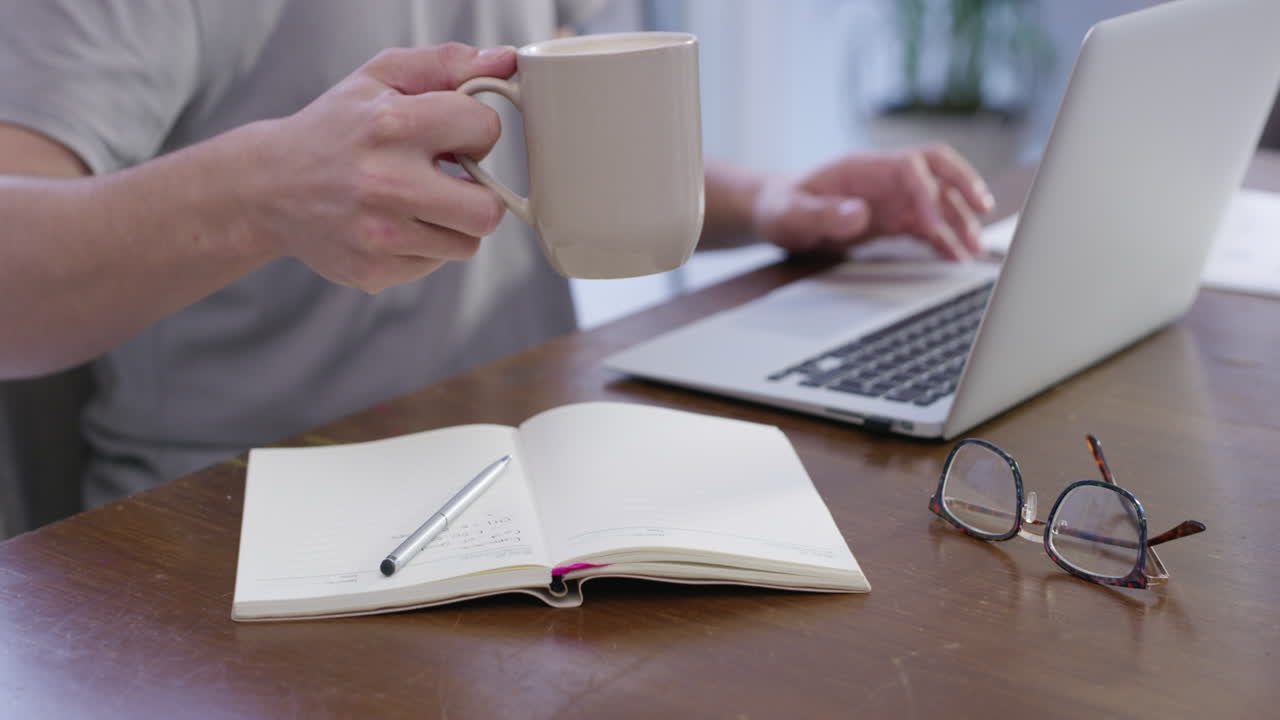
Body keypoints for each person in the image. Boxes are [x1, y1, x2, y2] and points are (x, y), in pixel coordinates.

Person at [0, 0, 993, 508]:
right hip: (234, 518)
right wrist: (267, 191)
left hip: (532, 476)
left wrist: (781, 202)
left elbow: (573, 121)